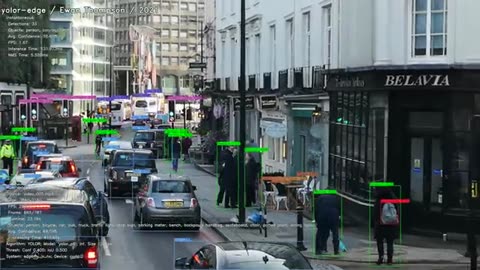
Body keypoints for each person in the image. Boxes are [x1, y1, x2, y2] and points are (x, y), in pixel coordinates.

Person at [372, 188, 399, 265]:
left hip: (381, 225)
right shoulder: (393, 198)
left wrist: (375, 223)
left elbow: (376, 213)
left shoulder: (379, 199)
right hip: (391, 225)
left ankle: (381, 257)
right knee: (390, 242)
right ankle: (390, 260)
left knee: (380, 241)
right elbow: (397, 211)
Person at [314, 186, 340, 255]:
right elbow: (339, 208)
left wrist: (316, 220)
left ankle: (318, 250)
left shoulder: (320, 198)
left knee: (320, 233)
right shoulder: (336, 198)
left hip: (322, 217)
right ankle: (336, 251)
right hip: (333, 218)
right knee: (335, 234)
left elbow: (316, 210)